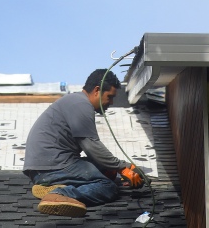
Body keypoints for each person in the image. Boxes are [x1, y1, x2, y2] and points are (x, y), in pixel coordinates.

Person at [23, 68, 145, 217]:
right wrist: (122, 168)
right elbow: (91, 147)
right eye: (109, 97)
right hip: (52, 167)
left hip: (46, 166)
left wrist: (124, 168)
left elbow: (99, 157)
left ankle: (51, 185)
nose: (111, 102)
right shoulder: (81, 105)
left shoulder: (74, 101)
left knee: (107, 170)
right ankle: (59, 194)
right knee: (108, 186)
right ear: (97, 90)